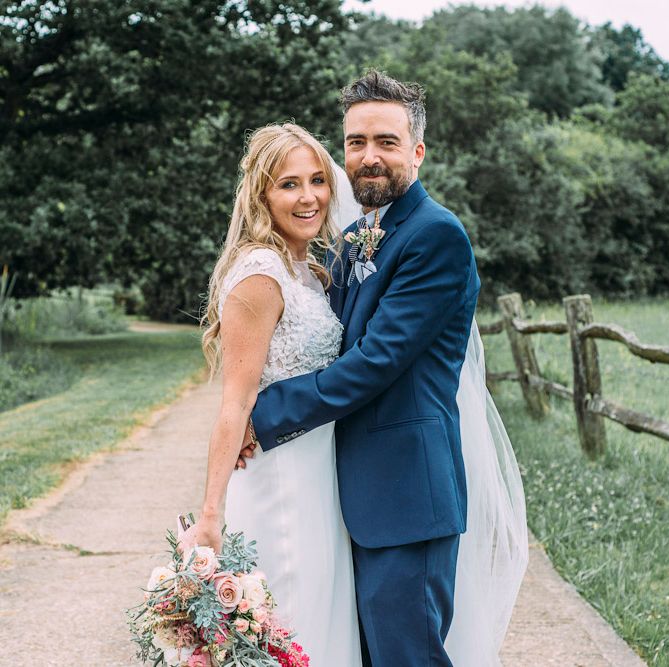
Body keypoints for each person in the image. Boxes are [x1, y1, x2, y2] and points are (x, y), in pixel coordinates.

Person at [181, 70, 528, 667]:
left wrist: (263, 414)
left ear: (417, 151)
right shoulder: (359, 236)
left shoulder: (435, 236)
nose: (368, 158)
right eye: (356, 142)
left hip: (405, 495)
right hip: (346, 494)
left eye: (386, 142)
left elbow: (374, 363)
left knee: (406, 656)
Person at [177, 123, 362, 665]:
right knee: (289, 621)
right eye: (288, 184)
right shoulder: (260, 275)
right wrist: (211, 514)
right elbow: (234, 402)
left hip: (319, 478)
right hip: (278, 480)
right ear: (262, 194)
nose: (308, 197)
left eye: (317, 181)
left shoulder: (308, 272)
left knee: (319, 622)